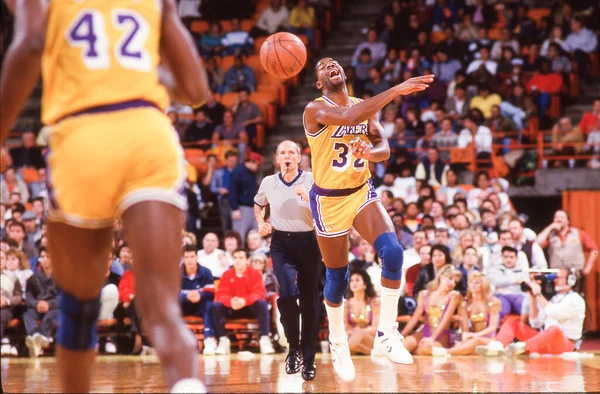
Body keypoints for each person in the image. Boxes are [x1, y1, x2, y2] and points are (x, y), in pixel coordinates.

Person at [0, 0, 210, 390]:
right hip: (147, 134)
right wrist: (152, 74)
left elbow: (29, 44)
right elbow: (196, 90)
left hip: (82, 139)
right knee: (163, 307)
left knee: (79, 309)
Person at [303, 58, 434, 380]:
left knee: (393, 253)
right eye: (323, 66)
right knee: (338, 278)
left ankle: (387, 333)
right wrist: (398, 89)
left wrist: (369, 155)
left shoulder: (364, 106)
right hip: (329, 201)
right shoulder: (314, 109)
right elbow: (349, 117)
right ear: (320, 83)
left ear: (343, 73)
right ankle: (337, 341)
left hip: (361, 191)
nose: (330, 65)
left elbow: (383, 147)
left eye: (334, 63)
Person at [253, 140, 323, 381]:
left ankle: (309, 358)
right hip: (281, 243)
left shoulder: (312, 179)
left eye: (291, 152)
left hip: (309, 243)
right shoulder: (268, 182)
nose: (287, 156)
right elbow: (258, 204)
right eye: (282, 152)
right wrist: (261, 222)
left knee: (310, 301)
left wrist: (310, 199)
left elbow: (325, 210)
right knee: (287, 293)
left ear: (299, 157)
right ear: (277, 158)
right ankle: (293, 348)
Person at [476, 268, 586, 356]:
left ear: (571, 280)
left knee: (555, 330)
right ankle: (497, 346)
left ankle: (521, 347)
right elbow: (535, 323)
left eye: (559, 278)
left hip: (564, 344)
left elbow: (553, 312)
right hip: (544, 342)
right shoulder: (553, 298)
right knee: (512, 322)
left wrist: (538, 294)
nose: (555, 280)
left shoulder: (576, 299)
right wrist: (532, 298)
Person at [210, 249, 275, 355]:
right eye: (235, 258)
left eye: (241, 258)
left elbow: (260, 293)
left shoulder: (254, 274)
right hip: (232, 308)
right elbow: (220, 294)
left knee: (262, 304)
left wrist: (244, 300)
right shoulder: (227, 274)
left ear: (247, 260)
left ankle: (265, 339)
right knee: (216, 305)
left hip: (249, 308)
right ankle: (223, 340)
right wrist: (230, 301)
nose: (238, 261)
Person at [400, 265, 462, 355]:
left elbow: (445, 319)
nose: (452, 283)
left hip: (442, 333)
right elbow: (415, 318)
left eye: (455, 281)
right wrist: (402, 335)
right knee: (404, 345)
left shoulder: (453, 296)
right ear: (441, 276)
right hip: (425, 330)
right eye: (450, 278)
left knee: (424, 348)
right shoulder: (425, 294)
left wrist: (432, 338)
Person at [436, 271, 501, 356]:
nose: (473, 285)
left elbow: (492, 327)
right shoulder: (465, 303)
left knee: (476, 341)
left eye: (477, 283)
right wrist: (466, 334)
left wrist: (475, 335)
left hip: (488, 339)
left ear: (483, 285)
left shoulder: (493, 302)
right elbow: (465, 327)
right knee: (467, 345)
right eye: (471, 282)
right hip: (472, 338)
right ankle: (458, 351)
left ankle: (446, 352)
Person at [536, 210, 598, 277]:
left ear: (568, 221)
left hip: (575, 273)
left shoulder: (579, 233)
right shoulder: (550, 235)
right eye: (556, 217)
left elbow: (595, 250)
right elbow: (537, 243)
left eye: (562, 217)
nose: (559, 219)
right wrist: (550, 227)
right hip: (556, 274)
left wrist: (589, 266)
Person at [179, 245, 216, 355]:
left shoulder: (206, 272)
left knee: (209, 304)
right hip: (184, 306)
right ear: (183, 258)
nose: (189, 260)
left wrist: (200, 295)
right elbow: (172, 294)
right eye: (186, 257)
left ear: (197, 257)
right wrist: (186, 296)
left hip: (200, 306)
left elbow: (210, 292)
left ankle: (209, 339)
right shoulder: (176, 273)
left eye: (192, 256)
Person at [24, 247, 59, 358]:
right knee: (28, 315)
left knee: (52, 315)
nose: (44, 259)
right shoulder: (33, 278)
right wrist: (36, 304)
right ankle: (34, 336)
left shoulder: (62, 277)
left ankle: (42, 338)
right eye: (42, 257)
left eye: (48, 257)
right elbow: (29, 297)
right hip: (38, 306)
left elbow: (64, 297)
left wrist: (49, 305)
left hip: (54, 307)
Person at [344, 269, 380, 355]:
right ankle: (372, 353)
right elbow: (345, 326)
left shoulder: (374, 303)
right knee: (351, 344)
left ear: (365, 284)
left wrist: (360, 332)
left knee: (353, 342)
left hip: (370, 337)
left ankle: (372, 351)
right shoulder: (346, 304)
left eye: (357, 280)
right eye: (351, 281)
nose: (354, 283)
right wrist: (355, 333)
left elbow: (376, 328)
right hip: (352, 336)